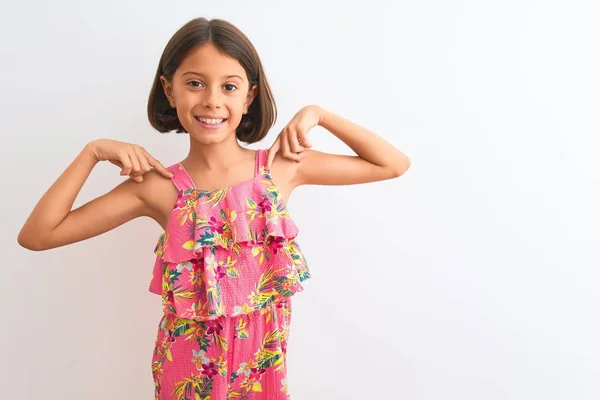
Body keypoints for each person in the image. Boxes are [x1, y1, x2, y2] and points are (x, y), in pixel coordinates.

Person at [17, 17, 411, 400]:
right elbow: (37, 235)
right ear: (169, 91)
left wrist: (318, 114)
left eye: (229, 86)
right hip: (185, 381)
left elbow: (392, 164)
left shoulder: (279, 169)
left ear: (249, 96)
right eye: (194, 84)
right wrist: (92, 152)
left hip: (263, 378)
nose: (212, 101)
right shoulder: (158, 188)